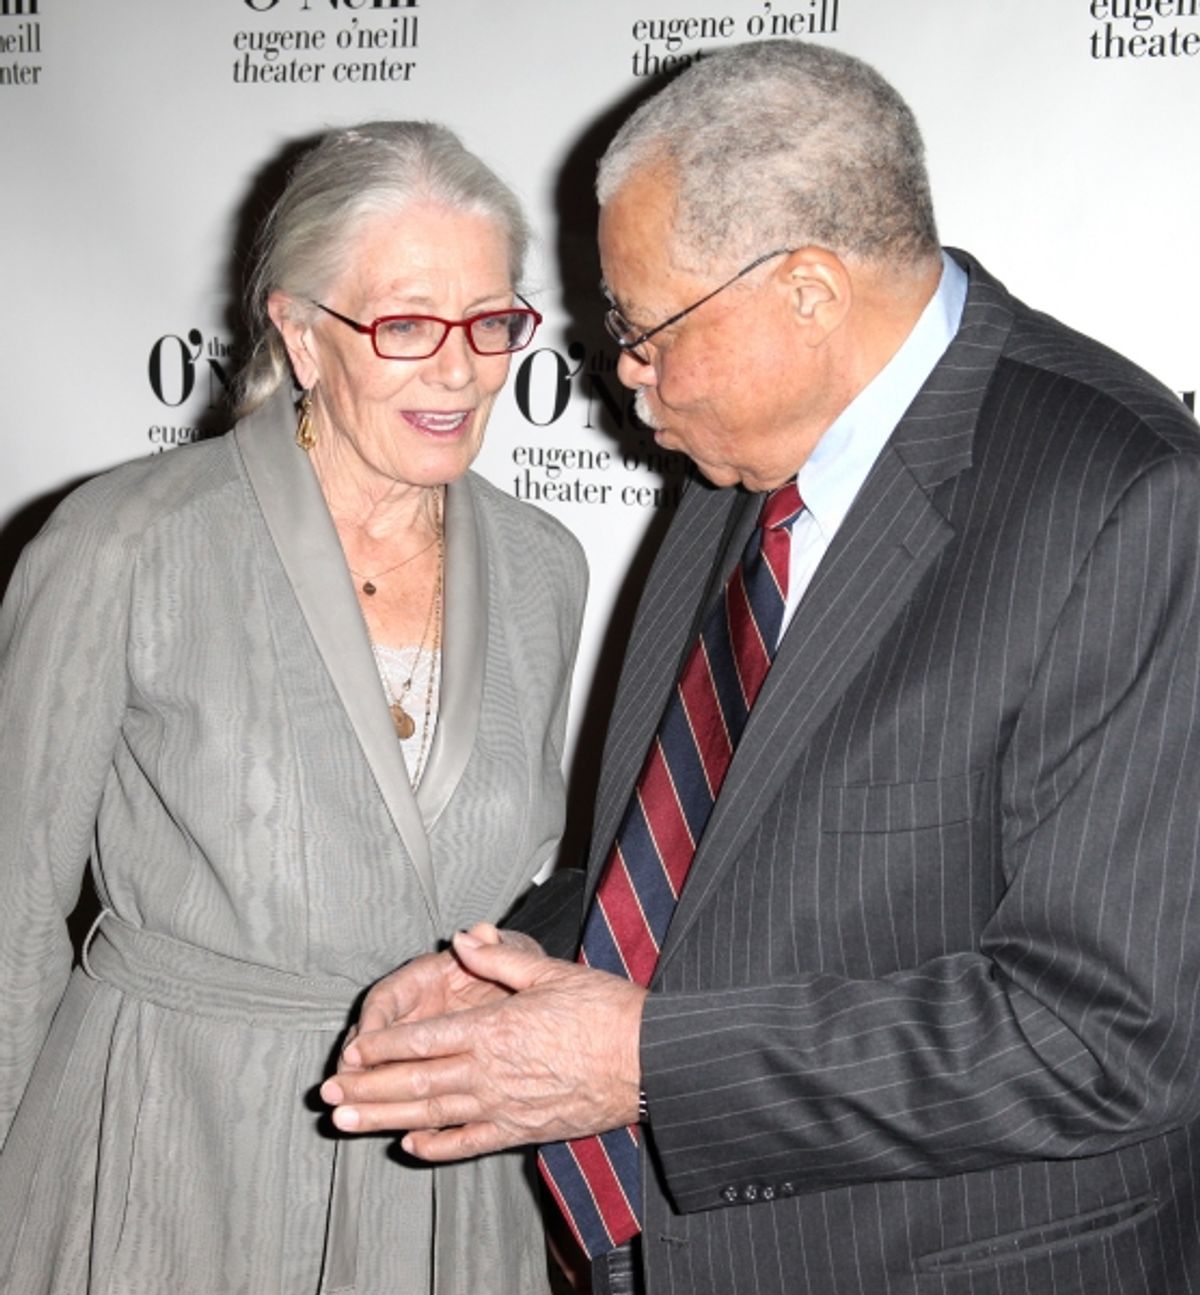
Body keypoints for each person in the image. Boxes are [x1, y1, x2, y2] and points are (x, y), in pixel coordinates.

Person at [320, 41, 1200, 1295]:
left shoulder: (1134, 500)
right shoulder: (740, 461)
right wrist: (496, 975)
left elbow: (1104, 1033)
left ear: (807, 292)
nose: (621, 374)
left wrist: (644, 1064)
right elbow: (693, 861)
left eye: (644, 328)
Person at [0, 121, 587, 1295]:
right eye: (409, 323)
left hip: (441, 1178)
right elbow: (7, 915)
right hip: (169, 1149)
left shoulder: (544, 565)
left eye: (492, 321)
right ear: (303, 334)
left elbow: (527, 874)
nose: (464, 368)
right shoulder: (127, 542)